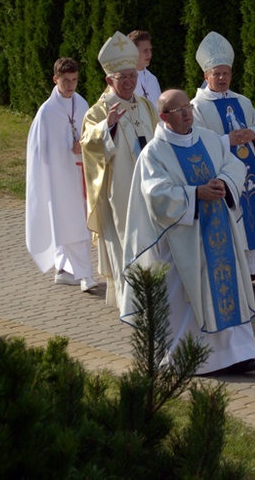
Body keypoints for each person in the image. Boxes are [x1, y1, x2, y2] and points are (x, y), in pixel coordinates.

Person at [121, 89, 255, 375]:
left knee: (227, 288)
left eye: (188, 106)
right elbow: (156, 195)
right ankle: (196, 360)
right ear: (163, 117)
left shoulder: (209, 139)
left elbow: (233, 166)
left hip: (219, 229)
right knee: (189, 299)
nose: (187, 112)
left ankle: (237, 354)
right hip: (183, 239)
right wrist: (195, 193)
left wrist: (224, 182)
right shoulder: (154, 153)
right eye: (177, 109)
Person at [192, 31, 255, 281]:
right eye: (216, 74)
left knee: (250, 220)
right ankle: (236, 273)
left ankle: (252, 271)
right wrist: (226, 140)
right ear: (206, 75)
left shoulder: (243, 101)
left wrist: (253, 133)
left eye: (226, 73)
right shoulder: (197, 107)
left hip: (250, 174)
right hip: (225, 175)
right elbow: (196, 142)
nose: (222, 78)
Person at [80, 31, 160, 307]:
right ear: (109, 79)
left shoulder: (146, 106)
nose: (129, 82)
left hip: (149, 185)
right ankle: (131, 302)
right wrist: (108, 127)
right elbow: (87, 144)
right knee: (125, 239)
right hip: (120, 190)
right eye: (122, 77)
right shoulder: (98, 112)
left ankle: (155, 295)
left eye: (132, 76)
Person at [25, 57, 98, 292]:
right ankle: (85, 275)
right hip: (60, 177)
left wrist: (83, 145)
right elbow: (41, 150)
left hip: (82, 173)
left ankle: (65, 270)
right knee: (72, 223)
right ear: (55, 79)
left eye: (74, 80)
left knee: (74, 223)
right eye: (65, 80)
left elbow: (91, 135)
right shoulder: (47, 112)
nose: (70, 85)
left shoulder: (83, 104)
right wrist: (67, 147)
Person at [128, 30, 161, 110]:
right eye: (145, 51)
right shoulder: (125, 80)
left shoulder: (152, 79)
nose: (149, 54)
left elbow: (160, 109)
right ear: (133, 52)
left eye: (150, 50)